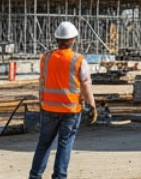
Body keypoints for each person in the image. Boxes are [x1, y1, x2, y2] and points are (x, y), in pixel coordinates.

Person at [28, 21, 96, 179]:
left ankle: (35, 176)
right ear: (73, 40)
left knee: (44, 143)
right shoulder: (78, 60)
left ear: (57, 39)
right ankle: (59, 176)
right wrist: (92, 104)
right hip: (70, 110)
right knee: (65, 144)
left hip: (48, 108)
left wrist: (41, 101)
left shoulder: (46, 58)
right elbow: (86, 84)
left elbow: (42, 81)